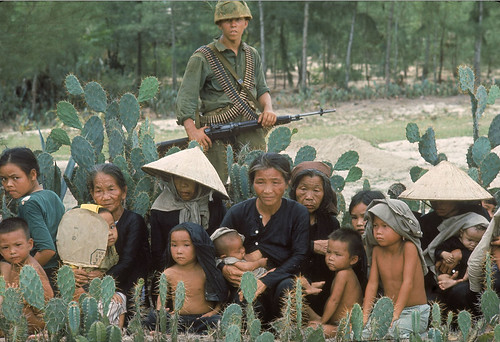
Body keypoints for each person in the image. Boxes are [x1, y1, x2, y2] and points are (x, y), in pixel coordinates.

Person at [175, 0, 277, 182]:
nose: (233, 24)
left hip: (248, 124)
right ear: (219, 24)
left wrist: (268, 109)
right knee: (216, 184)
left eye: (238, 19)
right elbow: (186, 98)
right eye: (228, 20)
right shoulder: (203, 57)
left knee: (256, 178)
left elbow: (262, 89)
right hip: (216, 129)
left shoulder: (252, 54)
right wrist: (193, 132)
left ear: (245, 23)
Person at [219, 152, 309, 323]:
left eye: (276, 182)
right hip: (245, 281)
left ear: (287, 183)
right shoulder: (238, 212)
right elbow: (215, 248)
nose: (268, 190)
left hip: (282, 276)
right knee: (248, 306)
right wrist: (223, 267)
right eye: (260, 182)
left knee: (288, 289)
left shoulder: (298, 213)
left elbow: (300, 255)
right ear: (252, 183)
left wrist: (266, 280)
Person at [141, 147, 227, 296]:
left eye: (189, 180)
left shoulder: (213, 204)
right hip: (172, 269)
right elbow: (158, 251)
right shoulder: (161, 208)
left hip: (209, 266)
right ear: (172, 180)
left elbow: (220, 239)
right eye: (178, 179)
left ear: (200, 182)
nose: (183, 185)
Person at [84, 163, 150, 308]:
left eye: (111, 189)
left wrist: (102, 278)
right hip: (95, 283)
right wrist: (78, 273)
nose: (105, 197)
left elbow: (128, 261)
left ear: (124, 192)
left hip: (128, 285)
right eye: (99, 191)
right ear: (92, 194)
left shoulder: (134, 221)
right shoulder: (88, 222)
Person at [362, 198, 429, 339]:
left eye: (385, 226)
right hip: (388, 311)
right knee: (363, 334)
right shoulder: (377, 251)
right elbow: (372, 284)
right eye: (375, 226)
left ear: (399, 227)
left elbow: (408, 283)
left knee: (393, 333)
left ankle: (420, 335)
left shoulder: (408, 248)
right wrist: (365, 315)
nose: (378, 231)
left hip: (415, 312)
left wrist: (396, 315)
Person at [0, 147, 65, 288]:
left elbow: (47, 249)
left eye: (15, 178)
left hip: (43, 274)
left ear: (33, 174)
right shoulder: (51, 195)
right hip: (61, 272)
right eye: (4, 179)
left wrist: (22, 278)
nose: (8, 184)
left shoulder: (28, 204)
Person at [149, 222, 228, 334]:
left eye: (186, 245)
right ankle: (165, 331)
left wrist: (214, 312)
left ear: (197, 246)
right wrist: (161, 311)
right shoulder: (168, 273)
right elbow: (162, 297)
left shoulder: (206, 271)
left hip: (202, 319)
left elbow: (222, 294)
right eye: (174, 245)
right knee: (152, 317)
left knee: (218, 321)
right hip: (177, 319)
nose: (179, 251)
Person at [289, 161, 340, 316]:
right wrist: (311, 246)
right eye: (303, 189)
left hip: (325, 289)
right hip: (293, 289)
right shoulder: (285, 219)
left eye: (316, 191)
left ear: (325, 193)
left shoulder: (331, 222)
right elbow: (278, 251)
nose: (309, 197)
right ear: (294, 191)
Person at [68, 205, 126, 327]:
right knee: (105, 306)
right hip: (84, 295)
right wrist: (105, 292)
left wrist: (108, 291)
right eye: (103, 229)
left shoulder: (111, 250)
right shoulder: (81, 254)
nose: (110, 233)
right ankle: (100, 330)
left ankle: (118, 331)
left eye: (112, 226)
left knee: (121, 298)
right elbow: (76, 287)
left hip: (101, 292)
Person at [307, 229, 366, 338]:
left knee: (312, 330)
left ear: (353, 260)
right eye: (328, 252)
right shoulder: (341, 272)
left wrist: (322, 322)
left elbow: (334, 300)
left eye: (337, 254)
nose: (330, 258)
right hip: (335, 325)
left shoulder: (343, 274)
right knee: (303, 307)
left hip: (346, 329)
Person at [0, 217, 54, 333]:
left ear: (30, 244)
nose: (12, 251)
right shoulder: (16, 264)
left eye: (18, 245)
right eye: (5, 247)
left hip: (36, 326)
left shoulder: (32, 270)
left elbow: (47, 306)